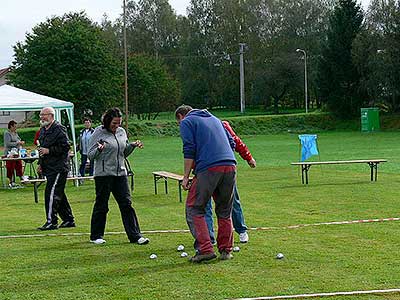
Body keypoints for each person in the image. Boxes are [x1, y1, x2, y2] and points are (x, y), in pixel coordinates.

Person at [175, 105, 236, 263]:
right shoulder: (215, 119)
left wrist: (186, 177)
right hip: (230, 165)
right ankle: (226, 250)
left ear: (181, 116)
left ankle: (205, 250)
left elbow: (189, 149)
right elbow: (231, 142)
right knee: (224, 210)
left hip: (208, 168)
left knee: (195, 208)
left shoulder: (187, 122)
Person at [87, 107, 149, 245]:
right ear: (107, 121)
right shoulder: (98, 132)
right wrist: (99, 149)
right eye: (114, 123)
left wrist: (132, 145)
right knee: (102, 205)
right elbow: (91, 156)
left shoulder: (122, 132)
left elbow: (123, 153)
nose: (116, 126)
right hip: (103, 174)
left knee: (126, 204)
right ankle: (96, 235)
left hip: (120, 173)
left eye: (119, 123)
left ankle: (135, 236)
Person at [205, 121, 256, 244]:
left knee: (232, 201)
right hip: (206, 170)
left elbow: (237, 142)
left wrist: (248, 157)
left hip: (225, 169)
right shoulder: (198, 129)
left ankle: (242, 230)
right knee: (205, 204)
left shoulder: (223, 125)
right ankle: (209, 238)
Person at [37, 107, 76, 230]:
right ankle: (68, 219)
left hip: (59, 167)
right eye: (41, 115)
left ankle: (51, 221)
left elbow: (66, 147)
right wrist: (40, 163)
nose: (42, 117)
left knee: (51, 193)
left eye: (44, 115)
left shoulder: (59, 129)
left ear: (51, 116)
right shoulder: (43, 130)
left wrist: (49, 150)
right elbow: (42, 149)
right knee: (59, 194)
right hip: (48, 166)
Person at [3, 120, 25, 187]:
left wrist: (20, 142)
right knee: (10, 166)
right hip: (9, 154)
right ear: (11, 126)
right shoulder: (7, 133)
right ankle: (11, 180)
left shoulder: (15, 133)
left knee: (19, 165)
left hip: (16, 152)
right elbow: (8, 143)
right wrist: (18, 143)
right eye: (15, 126)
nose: (16, 128)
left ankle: (22, 179)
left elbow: (18, 139)